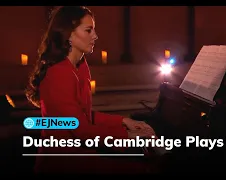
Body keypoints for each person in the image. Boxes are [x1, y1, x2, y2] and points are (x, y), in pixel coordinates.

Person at [25, 6, 156, 173]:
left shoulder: (80, 65)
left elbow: (83, 115)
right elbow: (82, 130)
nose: (95, 36)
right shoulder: (59, 73)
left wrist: (123, 122)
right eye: (88, 30)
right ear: (69, 34)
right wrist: (130, 136)